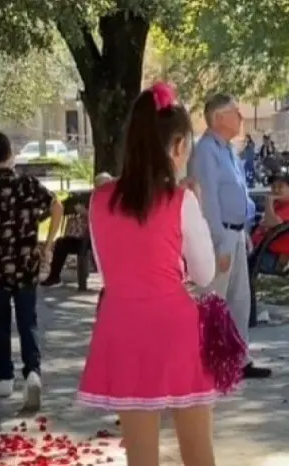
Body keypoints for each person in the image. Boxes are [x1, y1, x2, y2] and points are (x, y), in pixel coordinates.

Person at [77, 83, 218, 466]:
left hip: (121, 328)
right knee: (198, 451)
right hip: (175, 329)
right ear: (175, 146)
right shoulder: (181, 201)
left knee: (140, 457)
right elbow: (204, 274)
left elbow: (109, 271)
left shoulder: (99, 200)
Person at [0, 131, 63, 410]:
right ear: (11, 153)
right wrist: (48, 244)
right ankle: (33, 372)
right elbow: (57, 206)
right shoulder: (29, 184)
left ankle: (5, 377)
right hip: (26, 260)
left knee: (0, 320)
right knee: (27, 318)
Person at [188, 93, 272, 379]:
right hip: (220, 234)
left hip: (237, 232)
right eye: (236, 112)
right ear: (219, 117)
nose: (241, 117)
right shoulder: (205, 151)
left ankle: (239, 358)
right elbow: (208, 199)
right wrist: (220, 243)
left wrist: (245, 231)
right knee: (214, 301)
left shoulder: (228, 150)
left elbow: (239, 193)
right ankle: (209, 362)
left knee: (240, 300)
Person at [41, 172, 113, 287]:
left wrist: (86, 213)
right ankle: (54, 277)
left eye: (103, 186)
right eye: (97, 186)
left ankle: (108, 280)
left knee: (88, 245)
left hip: (104, 239)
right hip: (85, 239)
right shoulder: (91, 197)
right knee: (61, 243)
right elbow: (62, 207)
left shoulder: (113, 200)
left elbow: (107, 219)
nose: (99, 189)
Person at [251, 174, 289, 273]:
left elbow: (271, 223)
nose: (276, 190)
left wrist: (269, 201)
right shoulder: (277, 205)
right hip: (260, 249)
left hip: (273, 257)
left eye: (280, 186)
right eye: (273, 187)